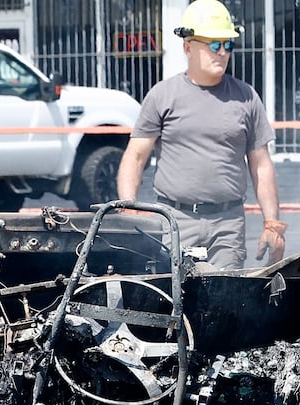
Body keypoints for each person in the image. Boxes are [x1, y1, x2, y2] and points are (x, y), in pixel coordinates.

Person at [117, 0, 285, 269]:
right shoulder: (163, 96)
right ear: (188, 47)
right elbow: (135, 157)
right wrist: (129, 208)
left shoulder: (246, 97)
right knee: (175, 300)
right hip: (174, 221)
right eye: (214, 45)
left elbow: (261, 165)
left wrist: (272, 224)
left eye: (227, 44)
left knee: (226, 300)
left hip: (228, 224)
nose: (222, 52)